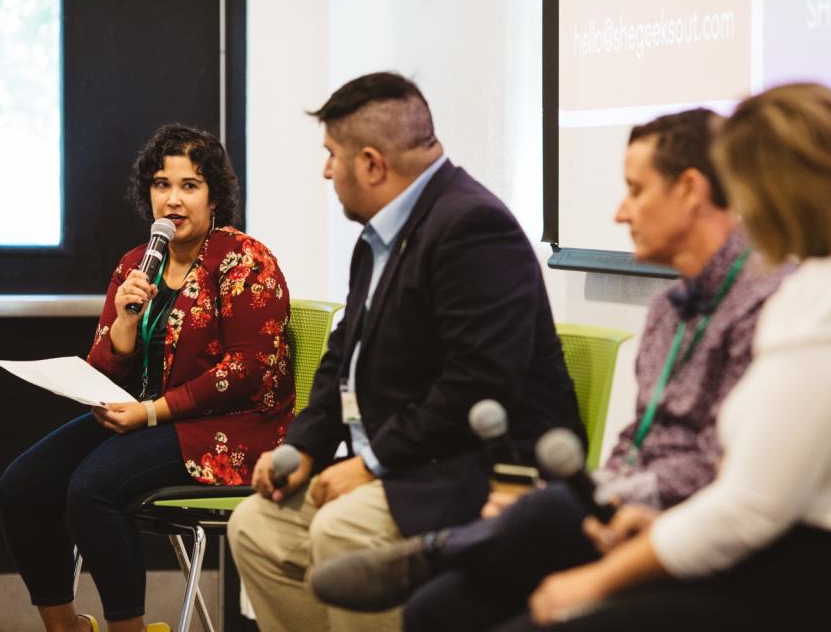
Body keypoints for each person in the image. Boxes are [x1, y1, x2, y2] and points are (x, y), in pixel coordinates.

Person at [308, 107, 792, 631]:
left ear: (690, 191)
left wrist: (611, 497)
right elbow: (640, 438)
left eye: (636, 190)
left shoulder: (767, 305)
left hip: (692, 535)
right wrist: (608, 495)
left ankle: (445, 549)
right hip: (629, 514)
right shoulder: (669, 309)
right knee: (435, 609)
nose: (620, 213)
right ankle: (456, 549)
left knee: (546, 515)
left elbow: (717, 465)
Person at [500, 84, 831, 631]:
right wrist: (657, 529)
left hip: (813, 582)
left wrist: (600, 580)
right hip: (782, 555)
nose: (740, 212)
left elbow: (751, 508)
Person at [225, 72, 583, 632]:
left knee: (340, 531)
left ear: (371, 164)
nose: (325, 172)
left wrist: (371, 465)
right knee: (255, 527)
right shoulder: (382, 233)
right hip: (407, 464)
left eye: (331, 156)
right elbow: (342, 356)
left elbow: (478, 384)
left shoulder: (472, 226)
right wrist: (304, 447)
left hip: (478, 469)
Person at [0, 124, 295, 632]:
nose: (173, 200)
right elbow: (104, 371)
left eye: (189, 185)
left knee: (93, 487)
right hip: (149, 416)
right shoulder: (137, 264)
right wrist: (126, 325)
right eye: (161, 184)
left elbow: (247, 371)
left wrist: (151, 412)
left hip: (233, 429)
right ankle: (66, 625)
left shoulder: (246, 260)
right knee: (22, 485)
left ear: (214, 195)